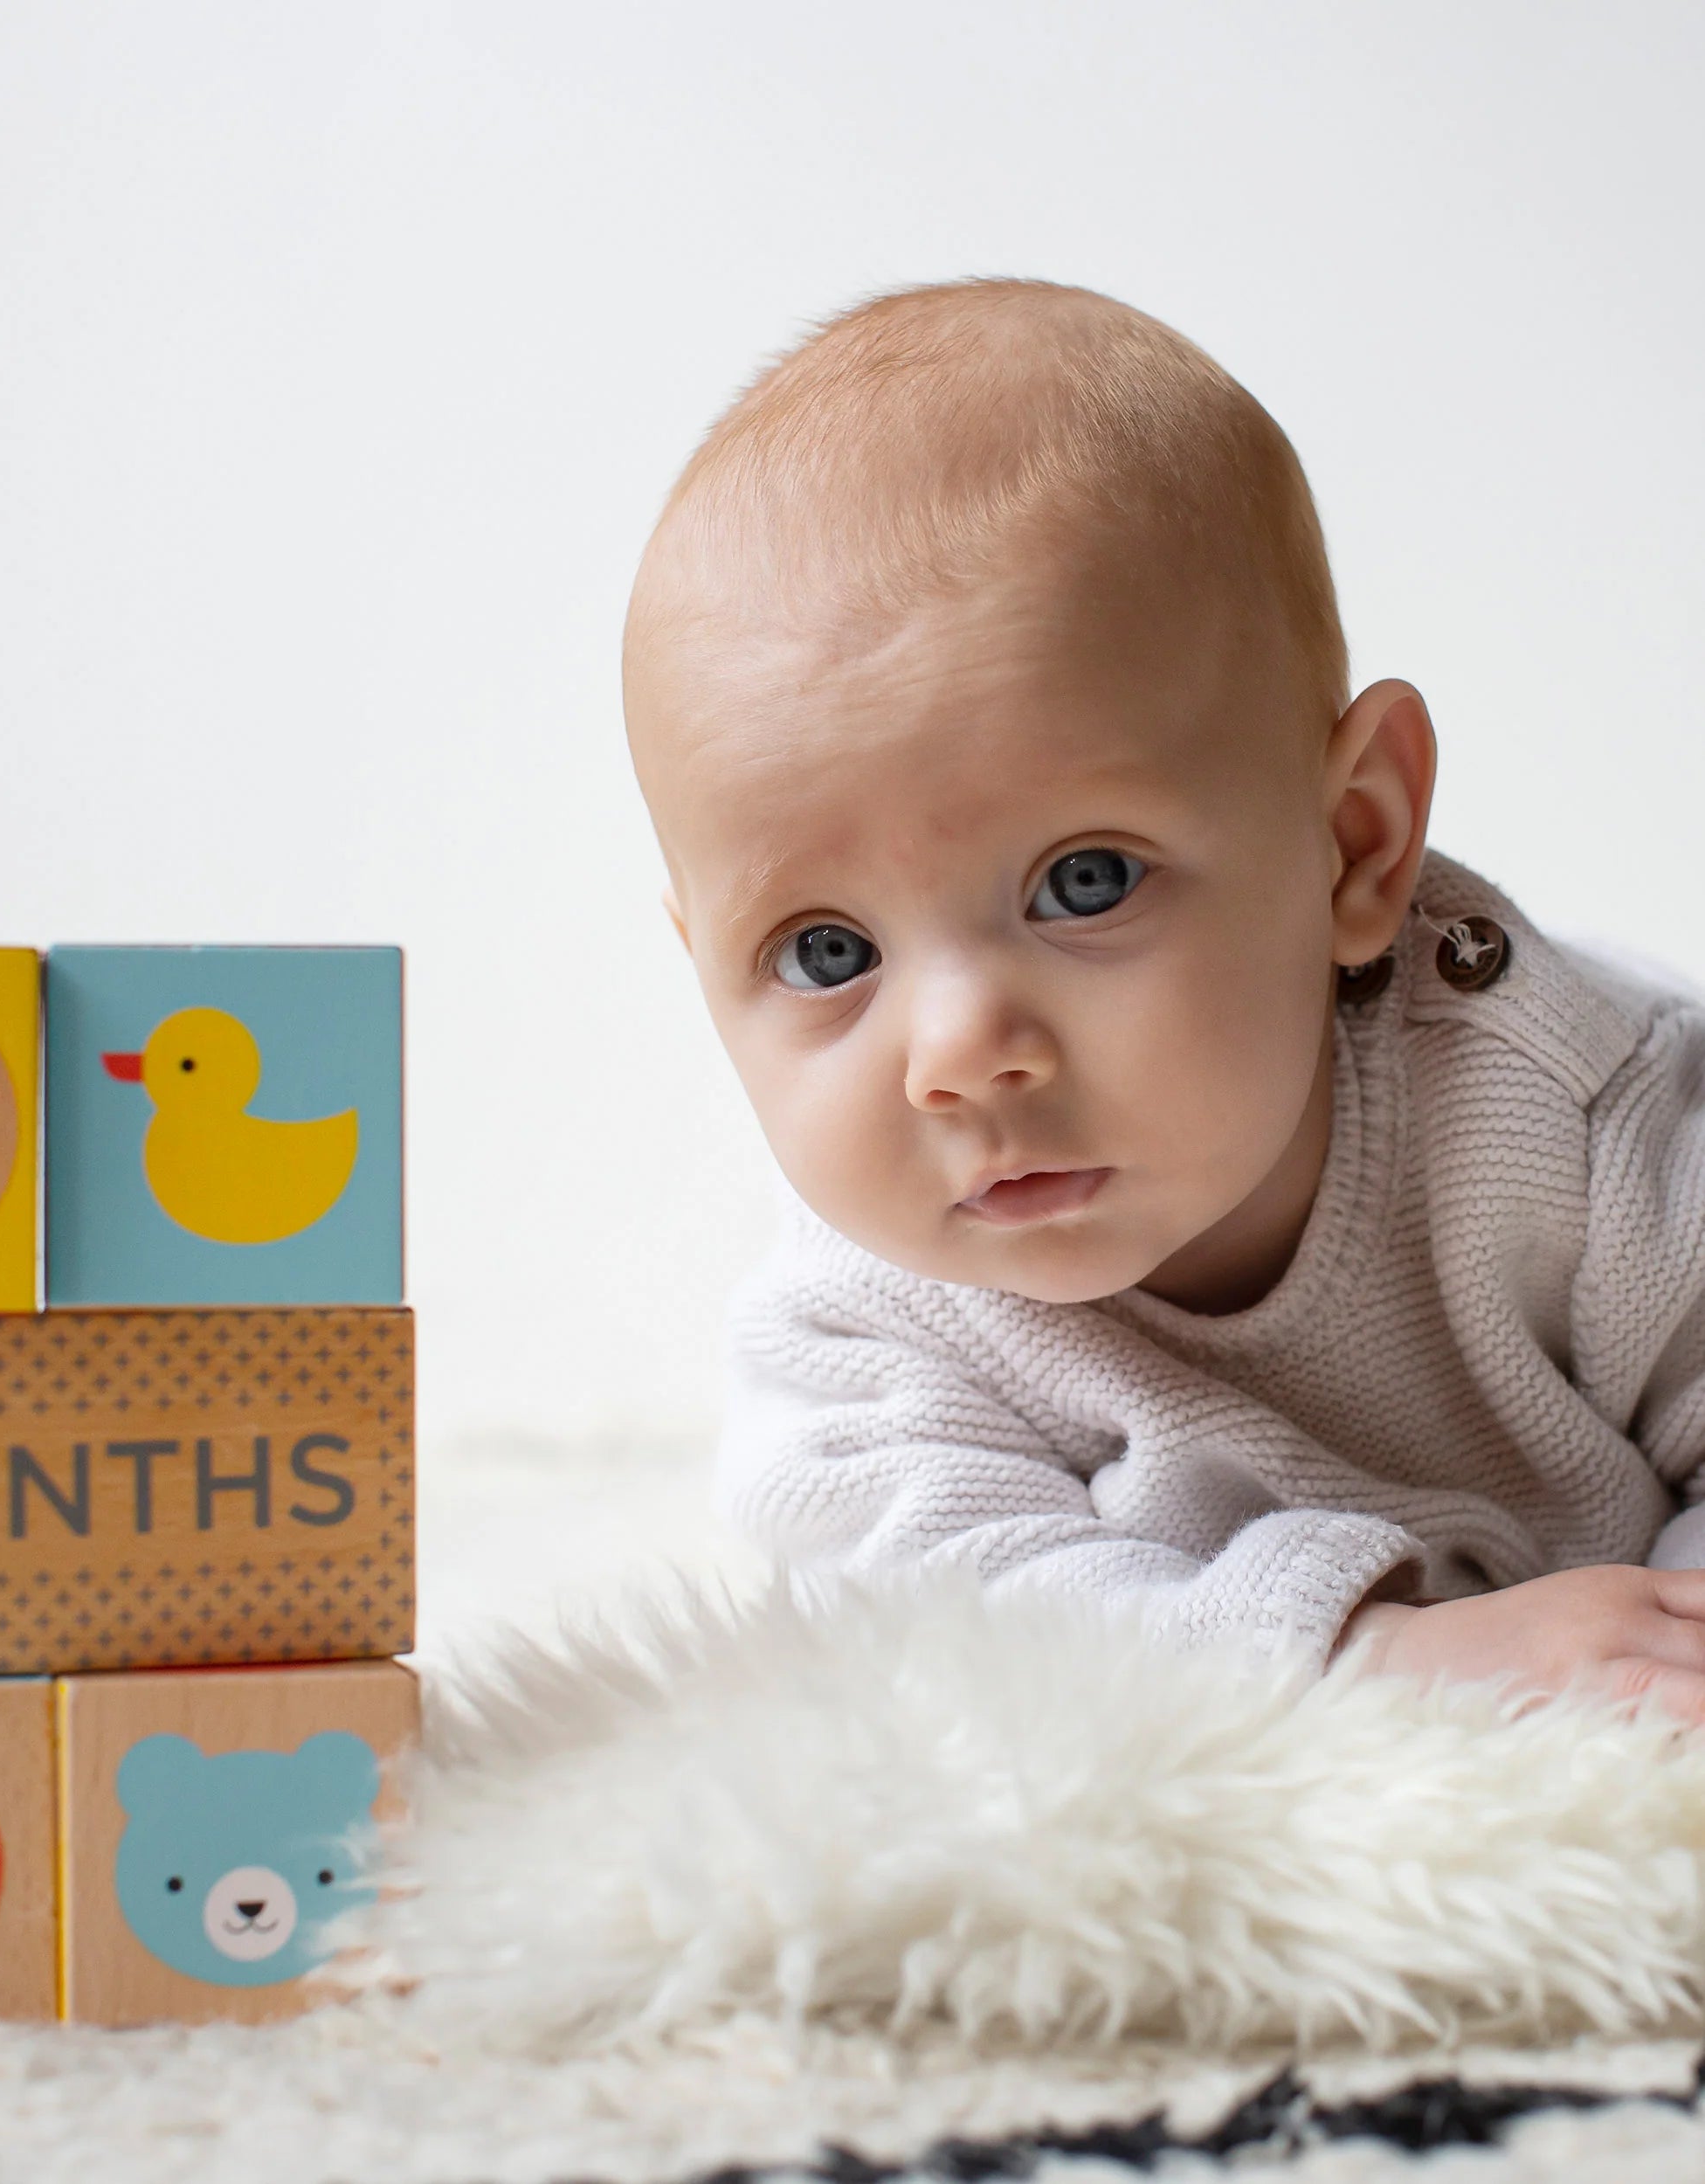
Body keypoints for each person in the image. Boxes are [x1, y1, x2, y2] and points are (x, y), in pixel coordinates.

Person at [623, 277, 1705, 1717]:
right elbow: (927, 1628)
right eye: (828, 953)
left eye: (1083, 883)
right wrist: (1371, 1659)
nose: (959, 1054)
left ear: (1355, 844)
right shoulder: (870, 1324)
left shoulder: (1582, 1124)